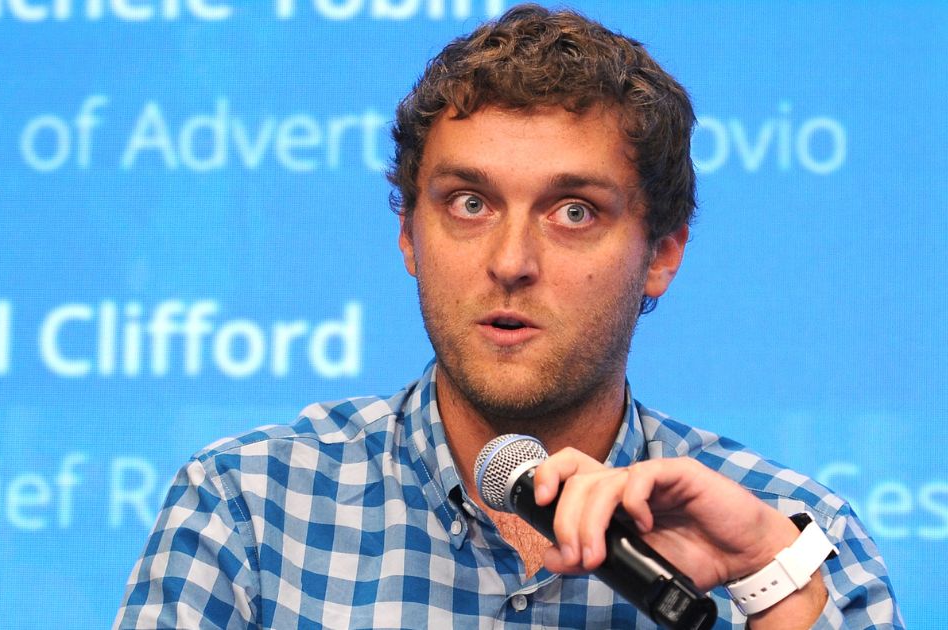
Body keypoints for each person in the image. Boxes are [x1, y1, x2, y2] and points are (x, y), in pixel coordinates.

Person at [115, 5, 903, 628]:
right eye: (469, 203)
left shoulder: (791, 541)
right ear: (408, 236)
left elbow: (786, 579)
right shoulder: (249, 510)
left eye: (572, 211)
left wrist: (776, 593)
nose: (511, 260)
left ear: (661, 253)